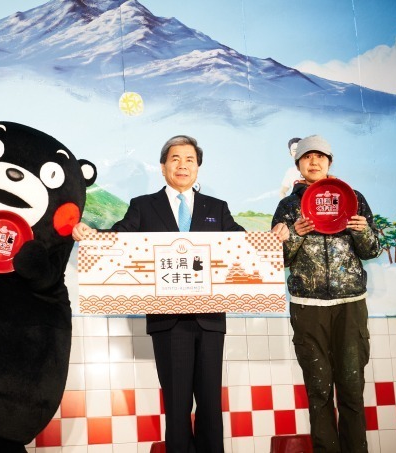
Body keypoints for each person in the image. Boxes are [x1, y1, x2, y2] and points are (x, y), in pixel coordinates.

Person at [73, 135, 288, 453]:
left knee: (211, 408)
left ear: (198, 167)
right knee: (176, 406)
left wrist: (272, 238)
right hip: (167, 320)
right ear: (163, 167)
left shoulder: (217, 208)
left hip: (210, 320)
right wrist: (92, 237)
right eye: (175, 159)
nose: (182, 165)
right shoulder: (143, 206)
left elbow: (241, 244)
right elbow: (119, 238)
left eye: (189, 159)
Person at [271, 135, 381, 452]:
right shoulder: (288, 206)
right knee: (318, 390)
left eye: (320, 156)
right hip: (307, 306)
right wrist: (296, 234)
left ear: (330, 162)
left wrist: (362, 231)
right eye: (307, 157)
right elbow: (279, 259)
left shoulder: (353, 198)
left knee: (351, 386)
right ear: (298, 165)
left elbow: (372, 251)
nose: (314, 161)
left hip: (350, 304)